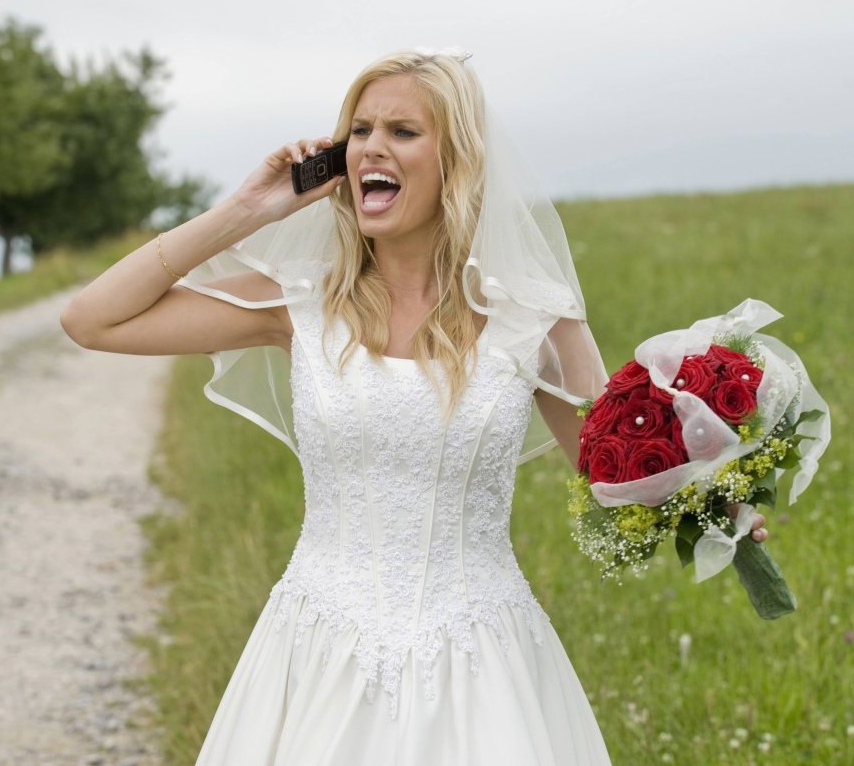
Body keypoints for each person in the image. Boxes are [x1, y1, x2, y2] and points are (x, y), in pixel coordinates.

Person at [61, 47, 768, 765]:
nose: (373, 145)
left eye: (403, 131)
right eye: (361, 129)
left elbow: (617, 474)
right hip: (317, 652)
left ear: (456, 160)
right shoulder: (299, 302)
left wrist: (714, 492)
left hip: (481, 662)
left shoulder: (534, 318)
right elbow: (92, 320)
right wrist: (247, 209)